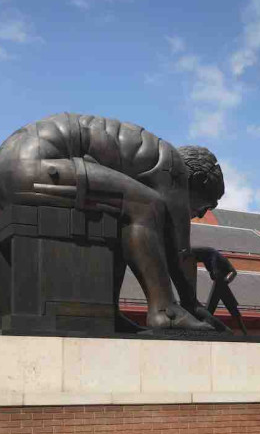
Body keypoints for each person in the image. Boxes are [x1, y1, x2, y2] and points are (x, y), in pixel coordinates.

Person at [0, 113, 227, 331]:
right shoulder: (173, 167)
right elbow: (179, 249)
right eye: (204, 207)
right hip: (36, 162)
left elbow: (151, 242)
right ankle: (165, 311)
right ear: (196, 180)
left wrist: (203, 255)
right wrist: (192, 305)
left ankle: (110, 312)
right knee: (146, 206)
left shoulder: (151, 156)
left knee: (126, 214)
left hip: (11, 161)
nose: (198, 215)